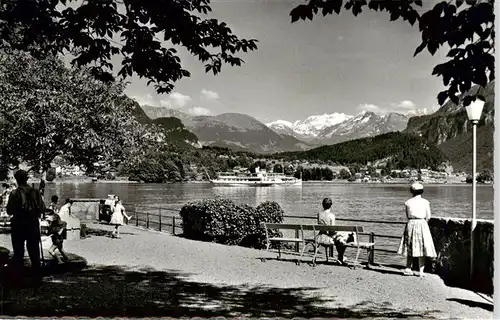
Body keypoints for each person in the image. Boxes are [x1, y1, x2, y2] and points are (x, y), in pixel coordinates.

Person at [6, 170, 46, 285]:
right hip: (32, 224)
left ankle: (19, 277)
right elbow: (42, 209)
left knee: (18, 252)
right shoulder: (36, 192)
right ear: (26, 179)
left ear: (17, 180)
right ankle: (37, 277)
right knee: (34, 251)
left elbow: (9, 211)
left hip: (18, 224)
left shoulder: (14, 194)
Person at [398, 182, 437, 277]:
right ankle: (421, 271)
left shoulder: (408, 202)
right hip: (422, 223)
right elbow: (428, 216)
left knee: (410, 246)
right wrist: (423, 222)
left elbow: (407, 215)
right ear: (422, 191)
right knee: (422, 247)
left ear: (412, 191)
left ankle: (408, 268)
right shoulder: (426, 202)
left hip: (411, 223)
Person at [317, 197, 355, 265]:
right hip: (329, 239)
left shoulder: (319, 214)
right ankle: (341, 257)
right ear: (331, 205)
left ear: (322, 205)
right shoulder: (332, 216)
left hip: (320, 237)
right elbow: (332, 230)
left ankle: (341, 258)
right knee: (342, 238)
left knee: (340, 237)